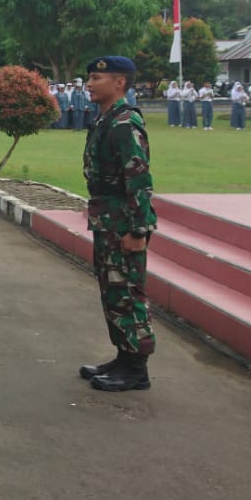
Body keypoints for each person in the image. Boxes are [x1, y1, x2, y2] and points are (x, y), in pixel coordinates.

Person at [79, 55, 156, 392]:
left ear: (120, 82)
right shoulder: (107, 120)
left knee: (127, 293)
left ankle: (136, 370)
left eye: (97, 77)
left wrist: (138, 231)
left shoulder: (125, 123)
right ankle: (123, 358)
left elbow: (139, 180)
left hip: (124, 224)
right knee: (113, 292)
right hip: (108, 221)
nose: (90, 84)